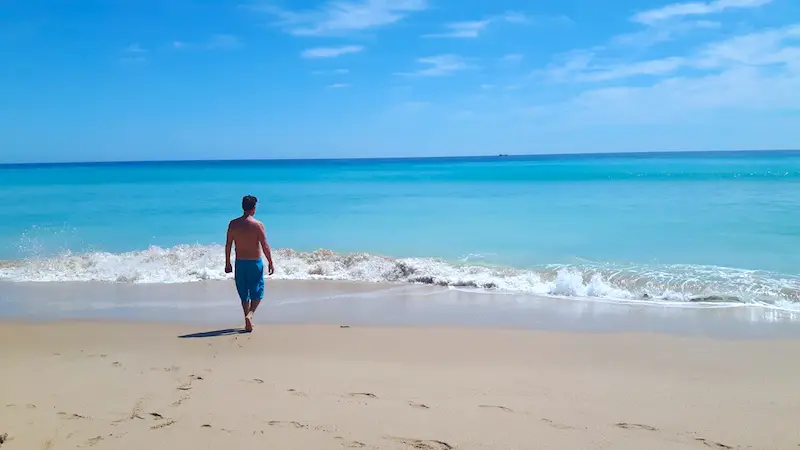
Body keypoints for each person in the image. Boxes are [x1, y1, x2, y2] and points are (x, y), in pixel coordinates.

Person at [225, 195, 275, 332]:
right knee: (258, 292)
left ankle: (246, 320)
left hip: (240, 263)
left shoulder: (233, 224)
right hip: (255, 263)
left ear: (242, 207)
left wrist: (227, 262)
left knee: (244, 292)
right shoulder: (258, 225)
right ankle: (250, 315)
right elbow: (265, 245)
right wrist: (270, 261)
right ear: (254, 208)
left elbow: (228, 244)